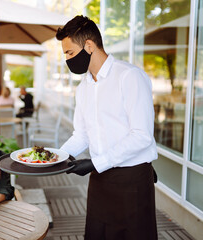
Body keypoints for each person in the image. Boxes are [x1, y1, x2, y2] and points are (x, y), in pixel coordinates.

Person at [57, 15, 158, 240]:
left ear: (89, 46)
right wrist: (55, 158)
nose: (68, 59)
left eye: (70, 53)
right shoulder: (83, 87)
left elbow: (142, 136)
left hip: (132, 179)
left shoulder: (129, 76)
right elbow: (81, 134)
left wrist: (95, 162)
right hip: (100, 178)